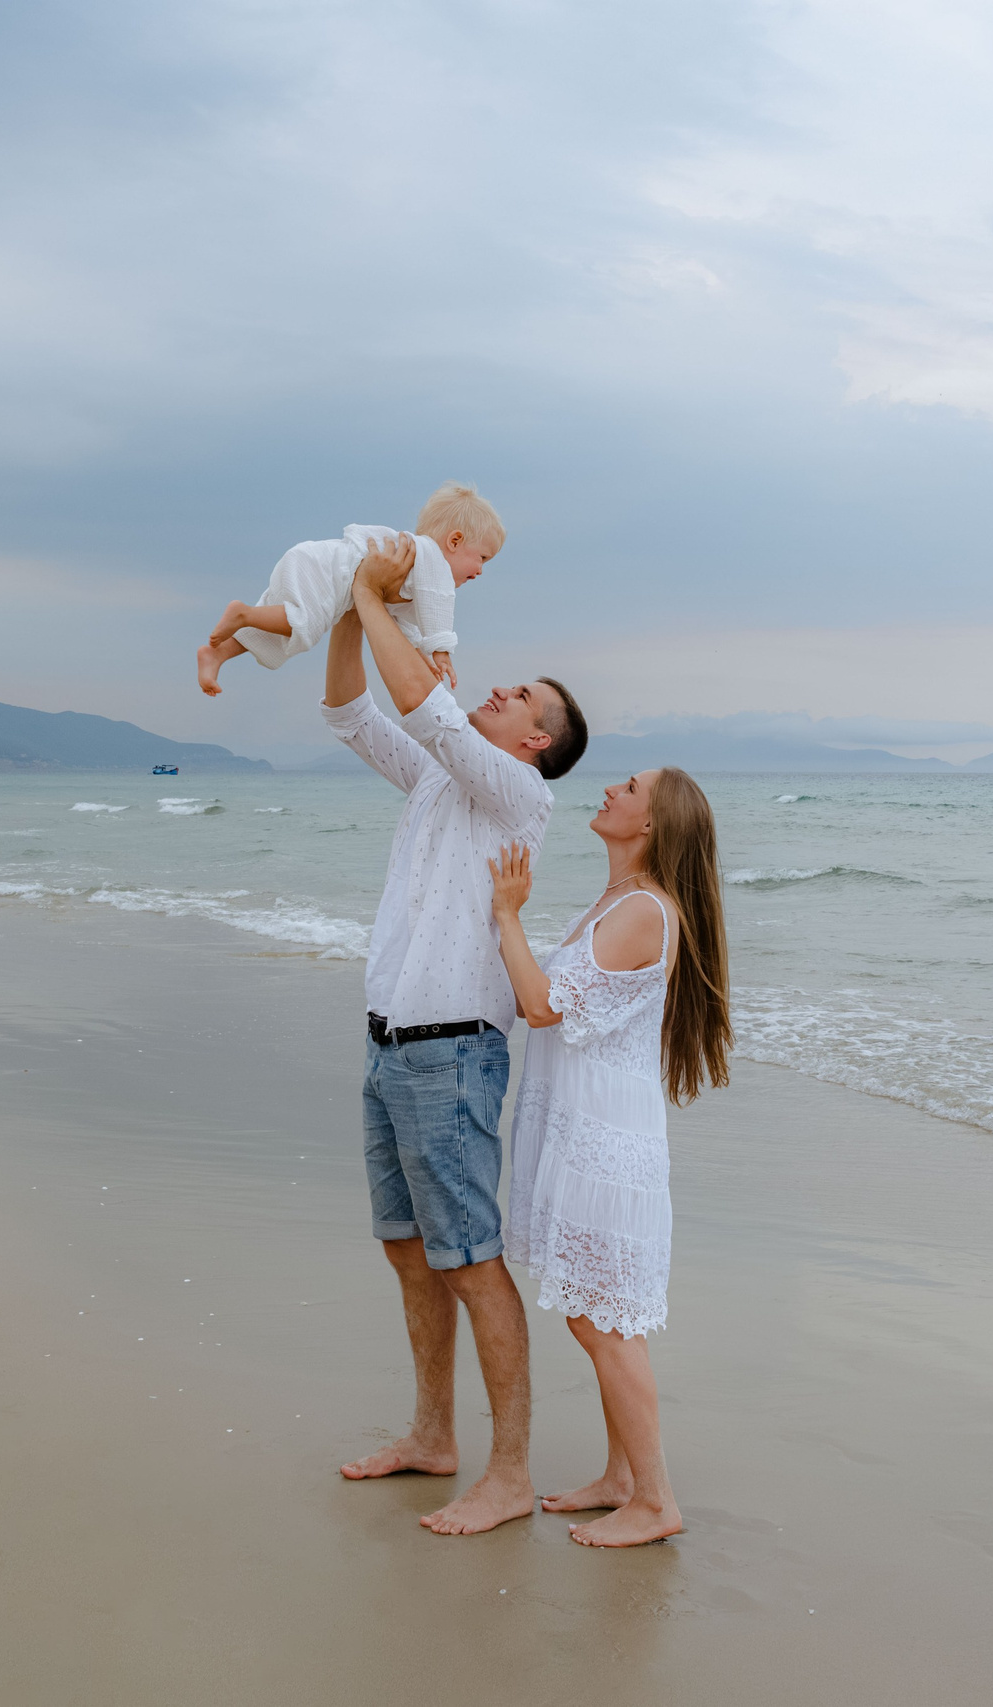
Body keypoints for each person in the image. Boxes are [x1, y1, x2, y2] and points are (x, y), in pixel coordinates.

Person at [322, 532, 590, 1536]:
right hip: (387, 1044)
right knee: (408, 1252)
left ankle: (509, 1472)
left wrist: (370, 590)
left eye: (521, 696)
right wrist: (355, 618)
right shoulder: (444, 778)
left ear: (534, 743)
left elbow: (426, 709)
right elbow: (352, 708)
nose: (501, 691)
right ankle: (433, 1437)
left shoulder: (517, 793)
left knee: (471, 1260)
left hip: (452, 1051)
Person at [487, 765, 732, 1547]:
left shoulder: (644, 911)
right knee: (597, 1317)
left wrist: (507, 916)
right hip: (584, 1129)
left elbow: (542, 1006)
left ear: (653, 823)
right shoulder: (620, 903)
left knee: (605, 1322)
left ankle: (657, 1501)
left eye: (628, 788)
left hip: (605, 1143)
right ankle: (622, 1476)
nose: (610, 791)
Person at [197, 482, 502, 696]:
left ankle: (216, 653)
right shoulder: (431, 558)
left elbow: (399, 624)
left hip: (316, 562)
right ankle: (243, 613)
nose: (480, 570)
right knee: (303, 626)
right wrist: (441, 651)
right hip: (328, 569)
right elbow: (439, 602)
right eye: (482, 558)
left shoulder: (413, 573)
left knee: (278, 632)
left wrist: (422, 653)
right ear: (455, 541)